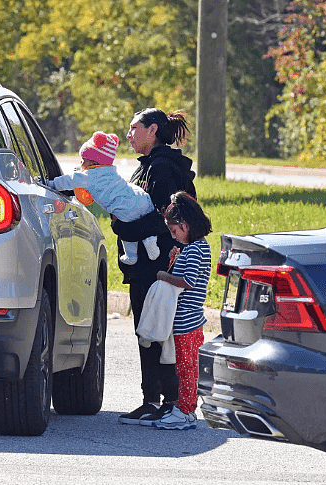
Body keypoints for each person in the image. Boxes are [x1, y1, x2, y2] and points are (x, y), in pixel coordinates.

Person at [117, 108, 198, 426]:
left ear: (152, 130)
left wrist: (124, 227)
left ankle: (164, 401)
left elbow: (163, 217)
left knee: (154, 333)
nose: (129, 134)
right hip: (152, 266)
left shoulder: (161, 168)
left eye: (134, 127)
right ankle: (159, 400)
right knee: (154, 332)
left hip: (157, 266)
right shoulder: (156, 165)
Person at [47, 131, 165, 266]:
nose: (81, 162)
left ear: (93, 161)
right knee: (145, 224)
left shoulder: (89, 175)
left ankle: (131, 256)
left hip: (124, 208)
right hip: (141, 199)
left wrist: (51, 184)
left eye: (83, 158)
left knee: (127, 230)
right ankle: (151, 242)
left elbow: (69, 180)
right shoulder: (110, 171)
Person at [150, 191, 212, 430]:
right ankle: (185, 410)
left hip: (187, 321)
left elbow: (188, 281)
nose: (173, 236)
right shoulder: (195, 248)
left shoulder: (196, 250)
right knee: (185, 367)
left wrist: (164, 276)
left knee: (187, 369)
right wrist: (176, 257)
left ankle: (185, 410)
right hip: (189, 320)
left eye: (175, 231)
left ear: (185, 225)